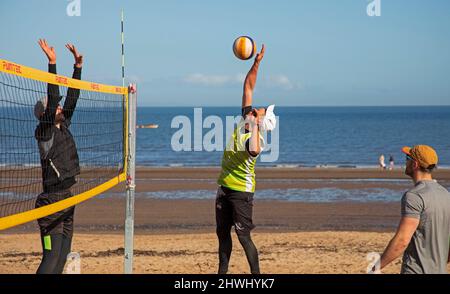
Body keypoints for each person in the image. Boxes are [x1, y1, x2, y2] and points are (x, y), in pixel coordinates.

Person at [215, 45, 277, 274]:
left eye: (258, 111)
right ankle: (222, 274)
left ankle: (256, 276)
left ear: (260, 121)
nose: (255, 109)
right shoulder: (246, 118)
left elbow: (253, 150)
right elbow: (248, 85)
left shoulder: (255, 138)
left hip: (241, 192)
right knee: (222, 235)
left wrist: (254, 125)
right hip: (224, 187)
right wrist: (257, 62)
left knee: (243, 236)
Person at [34, 39, 83, 274]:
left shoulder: (63, 124)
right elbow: (53, 98)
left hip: (67, 199)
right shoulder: (45, 131)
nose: (61, 108)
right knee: (51, 260)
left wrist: (77, 67)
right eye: (57, 107)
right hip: (51, 202)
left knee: (62, 258)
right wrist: (52, 64)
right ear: (46, 113)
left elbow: (72, 98)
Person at [374, 145, 450, 274]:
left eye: (407, 158)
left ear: (414, 164)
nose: (405, 162)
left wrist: (376, 268)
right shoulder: (446, 194)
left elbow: (402, 241)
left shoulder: (414, 196)